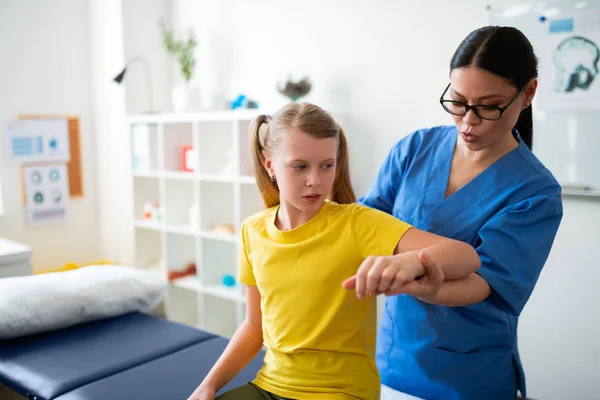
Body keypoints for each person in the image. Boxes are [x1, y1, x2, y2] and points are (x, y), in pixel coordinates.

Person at [187, 102, 481, 400]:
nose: (315, 180)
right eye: (300, 166)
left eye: (327, 165)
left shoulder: (356, 223)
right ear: (268, 164)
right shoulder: (253, 231)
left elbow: (466, 258)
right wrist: (208, 386)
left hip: (342, 392)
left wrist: (409, 262)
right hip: (271, 385)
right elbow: (253, 326)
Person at [353, 26, 564, 400]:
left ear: (527, 93)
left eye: (488, 107)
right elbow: (365, 226)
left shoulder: (534, 192)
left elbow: (487, 283)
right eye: (458, 101)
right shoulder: (414, 149)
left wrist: (432, 287)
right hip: (390, 360)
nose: (468, 121)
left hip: (467, 377)